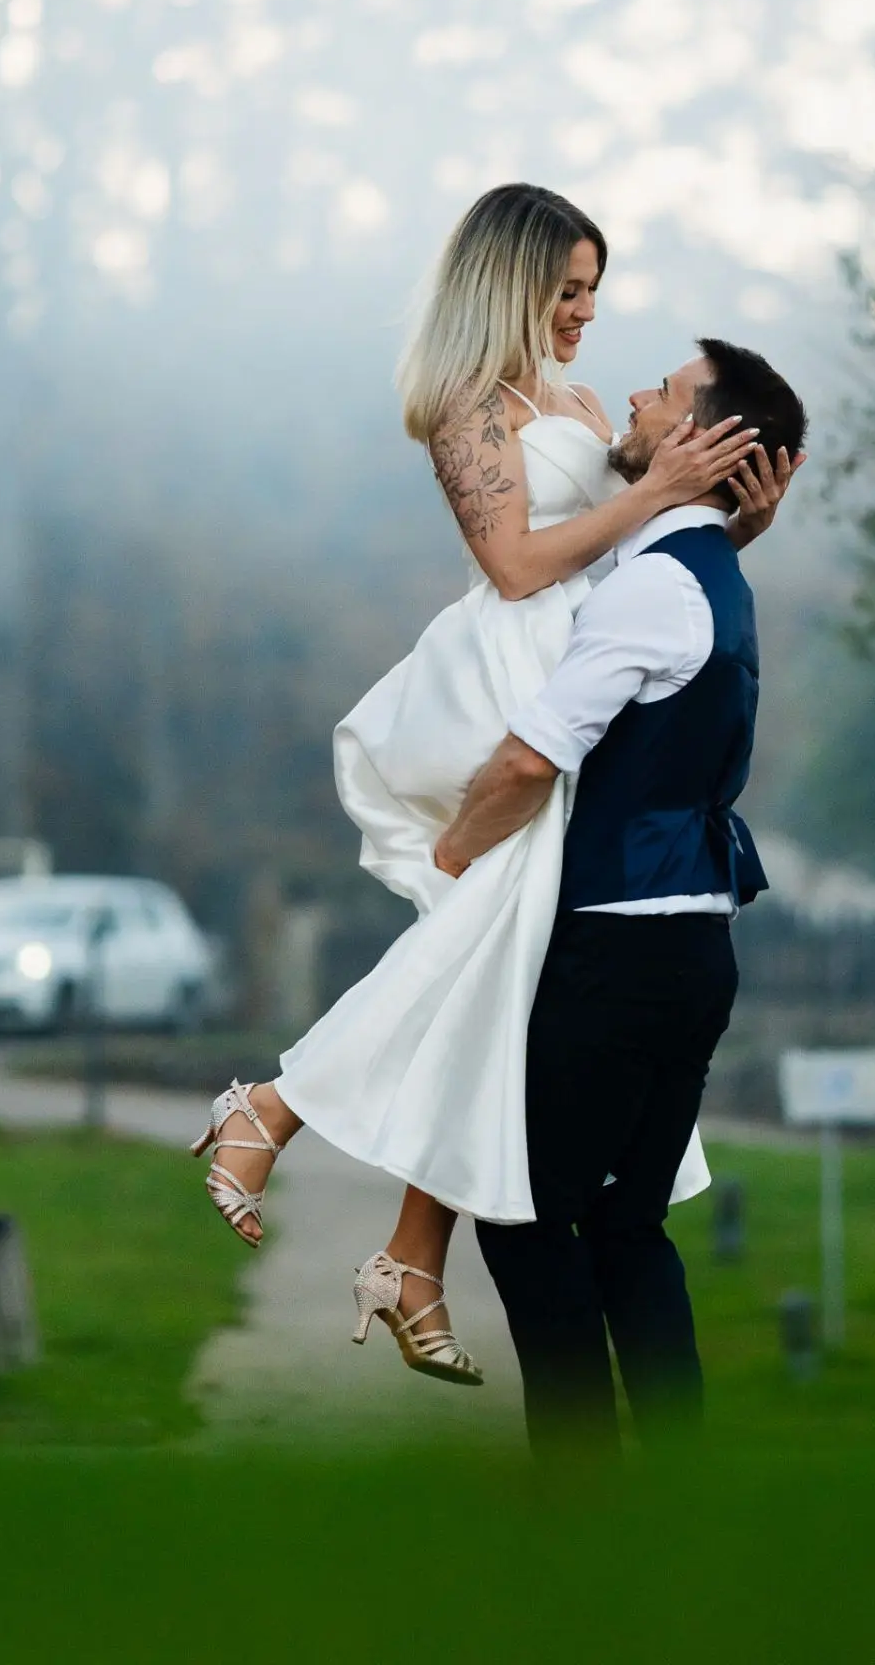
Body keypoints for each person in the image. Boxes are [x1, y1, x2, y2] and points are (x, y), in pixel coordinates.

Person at [190, 185, 798, 1383]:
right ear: (507, 286)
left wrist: (726, 528)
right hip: (510, 675)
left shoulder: (573, 402)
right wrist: (658, 495)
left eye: (591, 293)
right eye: (564, 291)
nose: (582, 315)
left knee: (500, 973)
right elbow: (516, 562)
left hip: (581, 665)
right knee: (496, 939)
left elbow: (641, 558)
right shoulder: (463, 406)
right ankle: (275, 1107)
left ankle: (408, 1251)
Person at [439, 337, 807, 1457]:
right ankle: (676, 1495)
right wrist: (739, 521)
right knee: (625, 1225)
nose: (638, 394)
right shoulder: (712, 578)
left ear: (700, 437)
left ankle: (579, 1499)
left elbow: (529, 759)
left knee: (525, 1217)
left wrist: (453, 860)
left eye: (666, 391)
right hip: (694, 957)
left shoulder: (653, 587)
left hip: (614, 957)